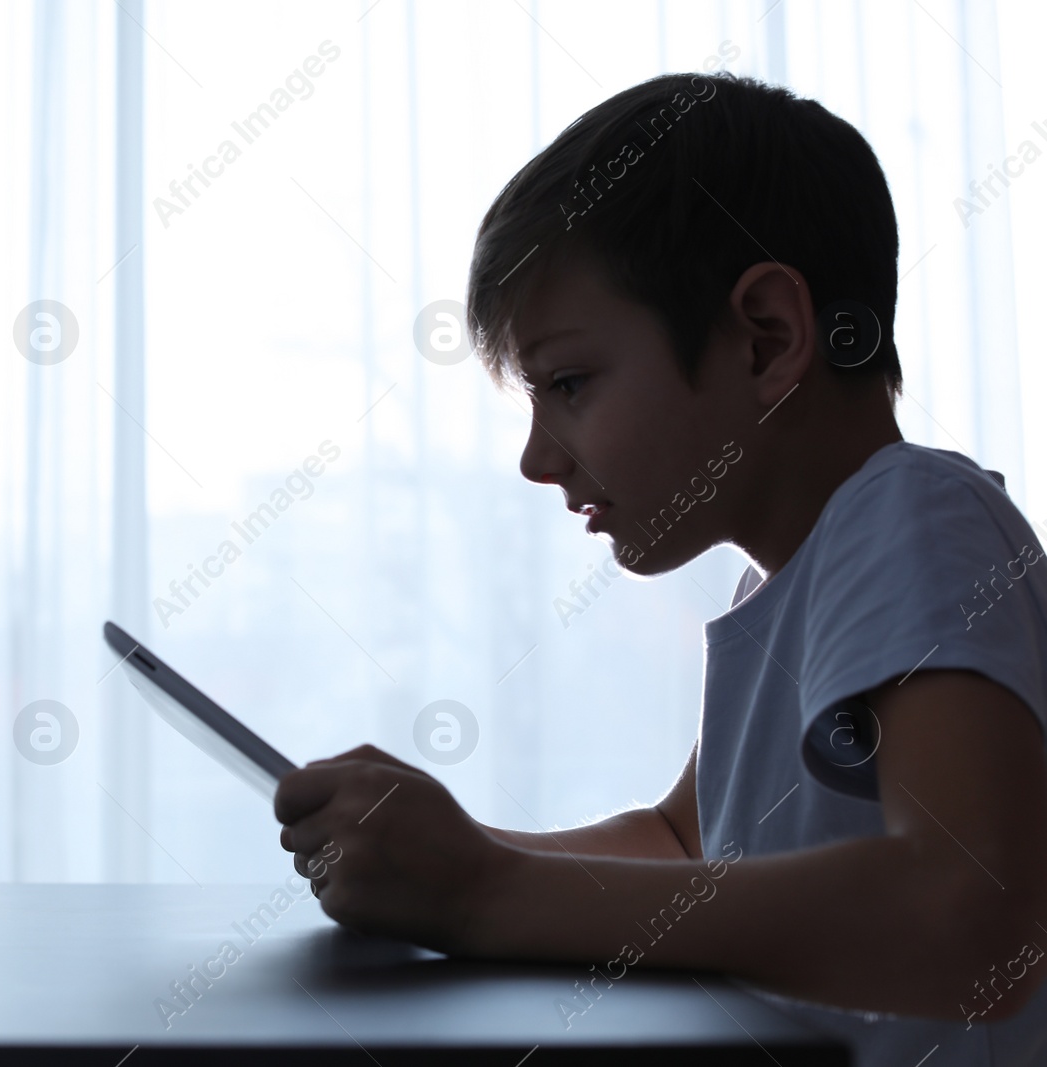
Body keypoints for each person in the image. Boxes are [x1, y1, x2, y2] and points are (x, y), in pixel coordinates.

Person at [275, 72, 1047, 1067]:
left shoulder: (911, 516)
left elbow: (975, 917)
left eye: (569, 383)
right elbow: (685, 844)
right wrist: (447, 858)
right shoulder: (784, 583)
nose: (536, 458)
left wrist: (482, 891)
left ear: (766, 339)